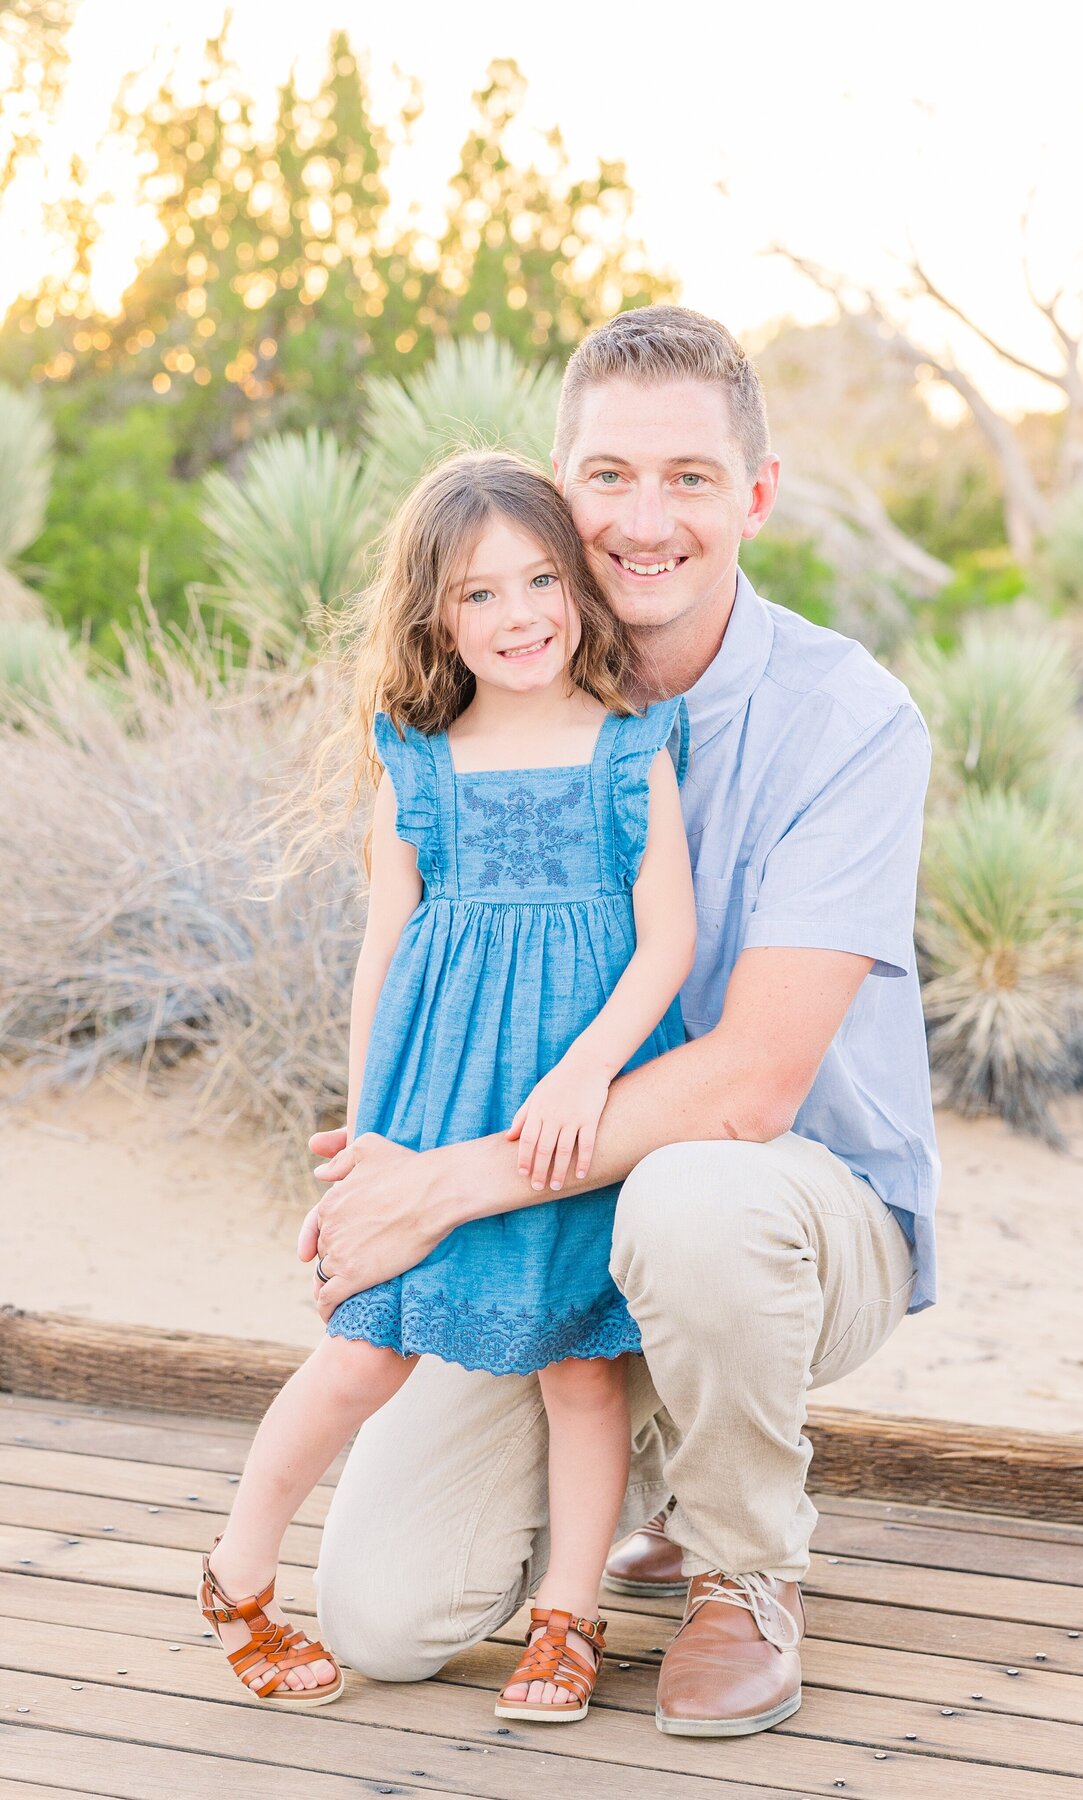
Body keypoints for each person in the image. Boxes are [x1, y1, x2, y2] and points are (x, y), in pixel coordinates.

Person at [304, 305, 939, 1739]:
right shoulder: (480, 712)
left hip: (786, 1217)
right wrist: (378, 1168)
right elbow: (413, 961)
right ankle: (630, 1475)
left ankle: (744, 1570)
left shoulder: (849, 722)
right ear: (557, 484)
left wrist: (442, 1188)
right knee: (384, 1620)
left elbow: (759, 1079)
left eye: (691, 479)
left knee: (694, 1199)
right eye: (608, 477)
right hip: (550, 1220)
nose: (644, 520)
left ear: (755, 495)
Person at [197, 450, 696, 1724]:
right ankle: (237, 1577)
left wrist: (590, 1070)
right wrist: (369, 1133)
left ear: (580, 584)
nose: (519, 613)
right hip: (436, 1105)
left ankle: (567, 1619)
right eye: (479, 595)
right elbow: (383, 946)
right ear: (433, 615)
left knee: (580, 1367)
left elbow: (669, 942)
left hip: (577, 1110)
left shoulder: (630, 749)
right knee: (364, 1350)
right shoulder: (418, 757)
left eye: (541, 578)